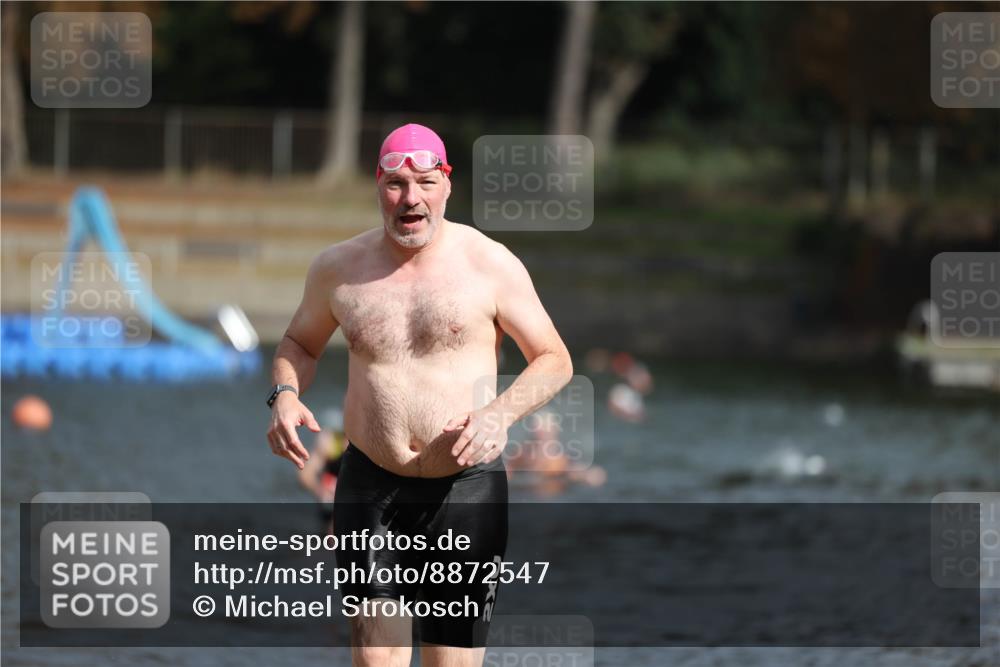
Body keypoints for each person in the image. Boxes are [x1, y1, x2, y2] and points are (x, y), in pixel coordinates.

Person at [265, 123, 573, 667]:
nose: (411, 199)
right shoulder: (338, 268)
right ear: (377, 185)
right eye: (396, 184)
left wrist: (500, 414)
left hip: (464, 489)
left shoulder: (490, 264)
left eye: (425, 182)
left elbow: (555, 360)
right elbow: (298, 343)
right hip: (370, 485)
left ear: (447, 185)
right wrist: (285, 394)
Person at [297, 407, 347, 532]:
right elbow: (305, 474)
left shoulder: (371, 439)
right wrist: (320, 490)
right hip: (331, 508)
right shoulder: (331, 439)